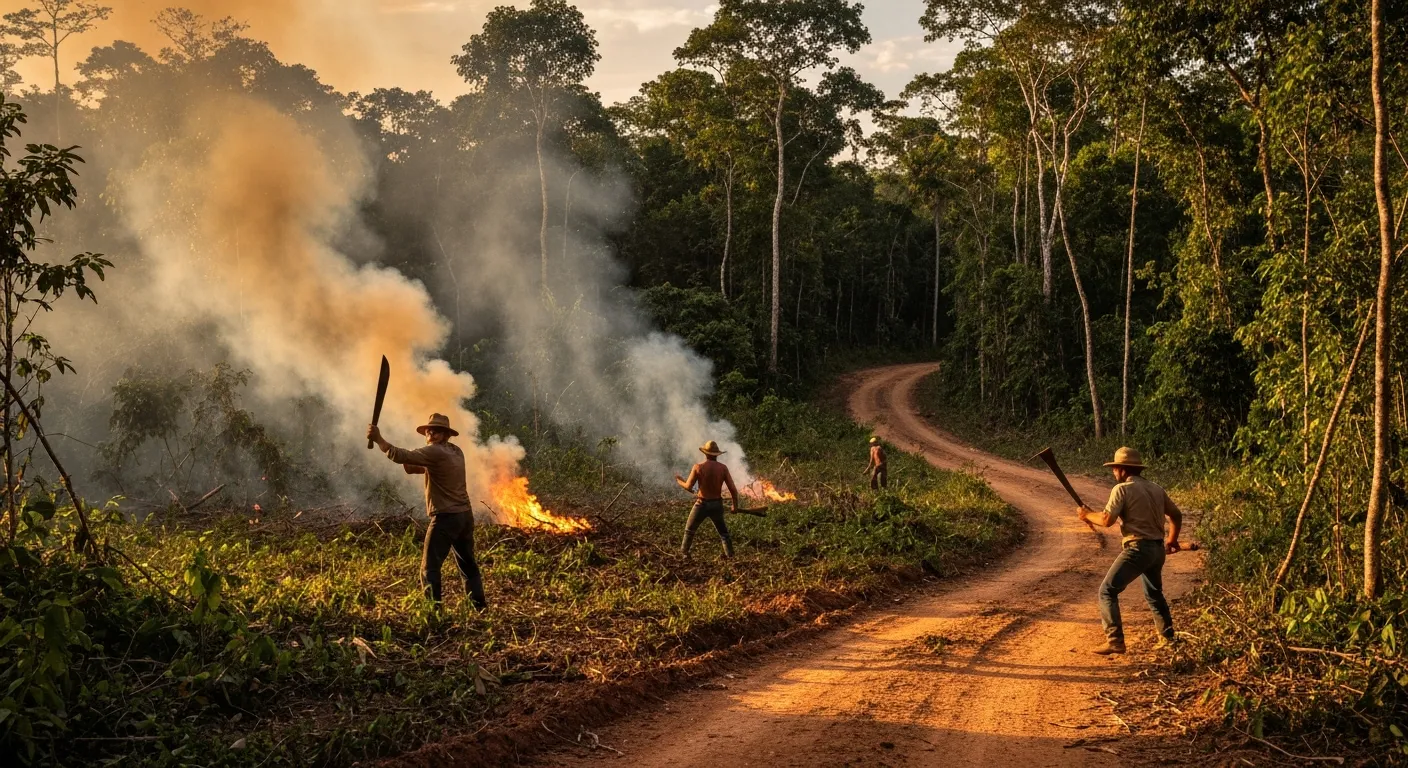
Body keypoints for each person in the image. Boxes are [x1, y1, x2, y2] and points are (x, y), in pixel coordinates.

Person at [368, 413, 487, 609]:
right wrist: (409, 460)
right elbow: (420, 467)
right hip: (464, 516)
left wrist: (379, 439)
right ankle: (479, 607)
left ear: (446, 435)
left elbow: (400, 456)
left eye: (437, 430)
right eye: (429, 430)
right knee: (468, 565)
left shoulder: (435, 452)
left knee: (429, 568)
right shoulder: (456, 451)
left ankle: (433, 613)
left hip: (446, 518)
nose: (431, 432)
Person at [1078, 447, 1182, 655]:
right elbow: (1176, 515)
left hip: (1138, 549)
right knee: (1154, 594)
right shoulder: (1156, 488)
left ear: (1122, 469)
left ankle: (1115, 640)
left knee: (1107, 591)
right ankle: (1168, 638)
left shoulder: (1122, 490)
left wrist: (1087, 515)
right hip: (1157, 549)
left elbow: (1107, 520)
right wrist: (1172, 541)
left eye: (1115, 469)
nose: (1114, 473)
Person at [674, 440, 740, 558]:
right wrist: (735, 505)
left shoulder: (698, 467)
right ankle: (731, 557)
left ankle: (684, 555)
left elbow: (689, 487)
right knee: (724, 534)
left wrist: (679, 481)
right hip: (717, 505)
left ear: (705, 453)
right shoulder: (723, 468)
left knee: (689, 530)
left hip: (701, 504)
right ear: (717, 454)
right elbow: (733, 490)